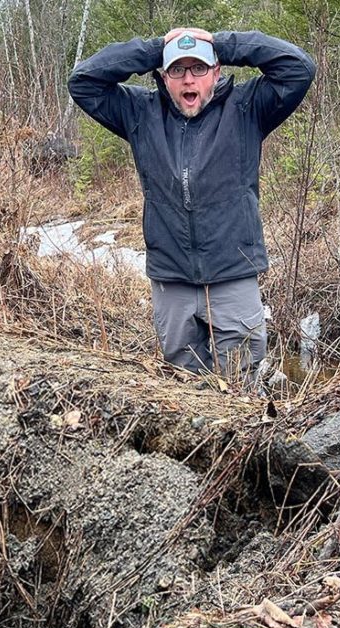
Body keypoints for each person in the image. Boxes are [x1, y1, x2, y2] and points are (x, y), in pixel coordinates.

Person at [68, 27, 315, 379]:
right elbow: (83, 82)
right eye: (177, 69)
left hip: (233, 274)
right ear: (163, 76)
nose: (188, 80)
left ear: (216, 71)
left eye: (198, 68)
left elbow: (299, 68)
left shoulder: (246, 108)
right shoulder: (140, 113)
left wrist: (222, 44)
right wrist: (156, 48)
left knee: (242, 387)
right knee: (184, 390)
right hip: (173, 280)